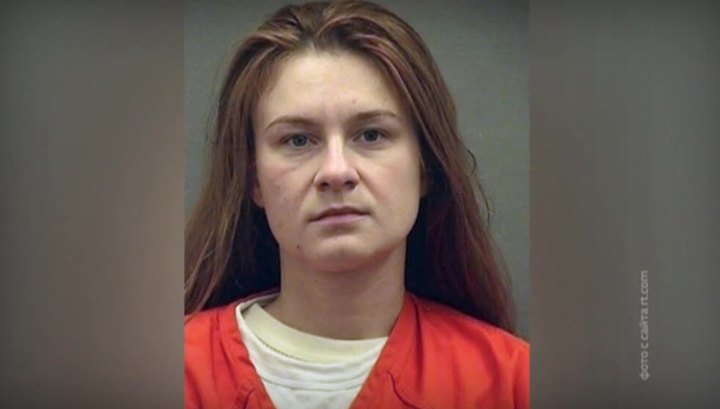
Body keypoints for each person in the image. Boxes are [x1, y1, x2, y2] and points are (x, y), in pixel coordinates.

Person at [184, 1, 529, 408]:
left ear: (425, 168)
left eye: (371, 135)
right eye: (297, 140)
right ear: (253, 179)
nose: (336, 171)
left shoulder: (512, 383)